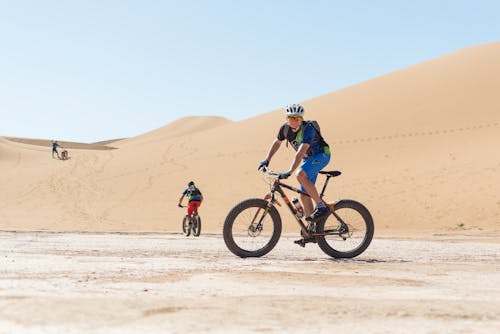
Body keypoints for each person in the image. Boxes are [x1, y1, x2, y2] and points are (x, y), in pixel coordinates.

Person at [258, 103, 331, 226]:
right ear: (287, 119)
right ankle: (311, 229)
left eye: (297, 118)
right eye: (291, 118)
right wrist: (267, 159)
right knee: (304, 195)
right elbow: (277, 143)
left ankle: (321, 206)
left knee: (299, 174)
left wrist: (290, 171)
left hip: (322, 155)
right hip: (309, 159)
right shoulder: (285, 129)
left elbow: (300, 153)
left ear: (301, 119)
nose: (294, 122)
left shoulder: (308, 129)